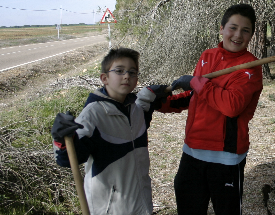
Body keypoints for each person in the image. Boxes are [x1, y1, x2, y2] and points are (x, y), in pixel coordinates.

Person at [142, 3, 261, 214]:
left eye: (245, 30)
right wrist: (161, 102)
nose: (237, 35)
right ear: (222, 28)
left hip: (226, 157)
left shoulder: (250, 67)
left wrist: (197, 83)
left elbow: (232, 105)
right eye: (232, 27)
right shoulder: (208, 56)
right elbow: (194, 96)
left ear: (251, 35)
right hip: (192, 151)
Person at [51, 48, 181, 214]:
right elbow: (68, 159)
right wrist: (61, 139)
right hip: (110, 208)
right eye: (119, 71)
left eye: (132, 72)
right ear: (104, 78)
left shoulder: (135, 110)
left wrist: (152, 93)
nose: (126, 76)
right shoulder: (93, 114)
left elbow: (143, 109)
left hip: (141, 202)